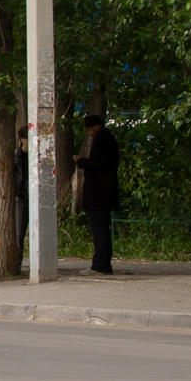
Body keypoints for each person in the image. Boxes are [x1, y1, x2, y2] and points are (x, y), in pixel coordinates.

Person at [72, 114, 120, 275]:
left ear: (95, 127)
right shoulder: (108, 139)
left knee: (99, 230)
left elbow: (99, 164)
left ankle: (101, 264)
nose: (88, 133)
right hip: (105, 193)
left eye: (89, 130)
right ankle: (103, 263)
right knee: (102, 230)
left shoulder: (102, 141)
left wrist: (81, 161)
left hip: (99, 194)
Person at [13, 126, 29, 254]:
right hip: (21, 195)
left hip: (30, 195)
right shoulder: (17, 157)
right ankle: (17, 260)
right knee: (19, 232)